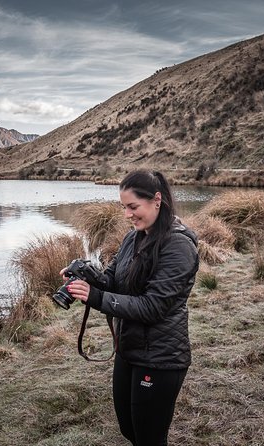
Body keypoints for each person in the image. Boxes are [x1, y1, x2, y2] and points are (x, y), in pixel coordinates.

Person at [63, 170, 199, 446]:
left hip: (161, 358)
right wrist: (88, 277)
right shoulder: (132, 238)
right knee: (129, 429)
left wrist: (96, 297)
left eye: (133, 207)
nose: (127, 214)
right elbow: (112, 280)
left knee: (149, 438)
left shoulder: (178, 246)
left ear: (157, 200)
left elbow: (153, 307)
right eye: (124, 207)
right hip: (130, 349)